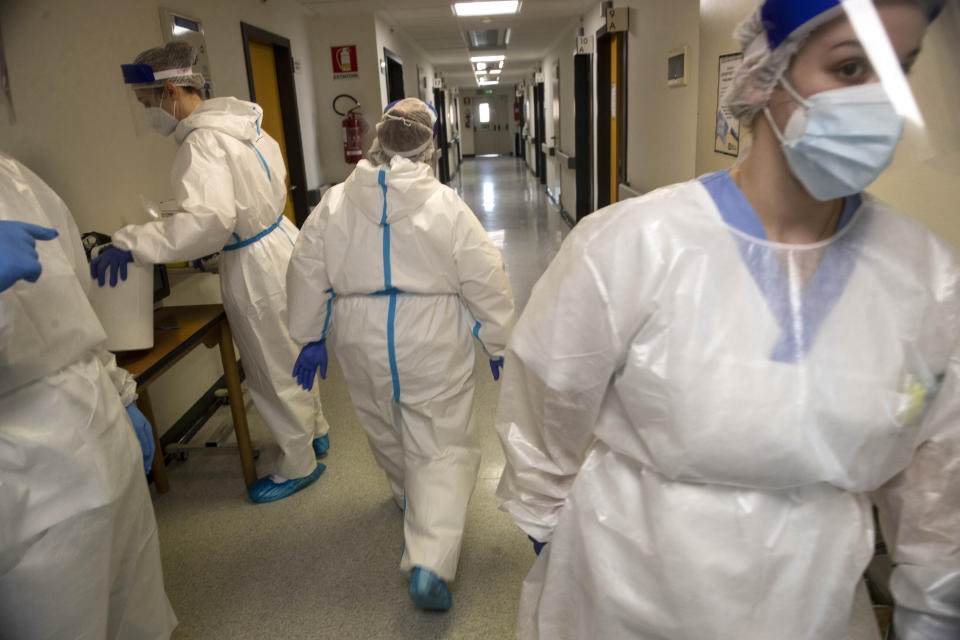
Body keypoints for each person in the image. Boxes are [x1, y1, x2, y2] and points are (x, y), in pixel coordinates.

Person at [495, 1, 959, 639]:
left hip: (813, 602)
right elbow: (545, 405)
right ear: (767, 73)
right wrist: (547, 530)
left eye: (898, 71)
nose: (880, 104)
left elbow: (936, 484)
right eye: (851, 68)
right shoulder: (637, 242)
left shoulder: (922, 275)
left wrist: (935, 614)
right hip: (626, 587)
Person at [286, 97, 516, 611]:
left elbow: (306, 268)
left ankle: (409, 496)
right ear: (429, 145)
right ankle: (430, 559)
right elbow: (483, 273)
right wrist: (498, 341)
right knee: (441, 441)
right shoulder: (444, 204)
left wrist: (309, 335)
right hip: (430, 332)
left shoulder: (337, 202)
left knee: (382, 422)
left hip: (359, 332)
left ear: (378, 140)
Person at [91, 41, 329, 503]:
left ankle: (298, 462)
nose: (148, 113)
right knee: (292, 350)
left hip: (253, 264)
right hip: (280, 241)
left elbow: (209, 224)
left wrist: (133, 243)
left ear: (170, 92)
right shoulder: (246, 127)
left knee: (268, 364)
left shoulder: (202, 143)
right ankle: (315, 429)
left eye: (147, 102)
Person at [0, 152, 177, 638]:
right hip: (26, 476)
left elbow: (80, 302)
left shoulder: (16, 178)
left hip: (98, 423)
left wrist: (122, 396)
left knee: (136, 603)